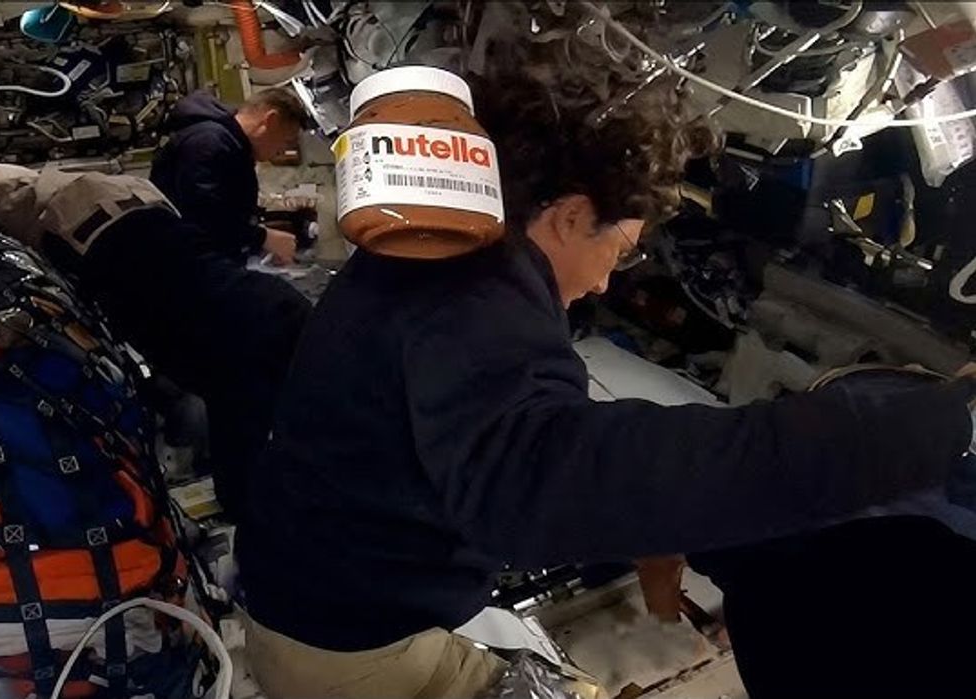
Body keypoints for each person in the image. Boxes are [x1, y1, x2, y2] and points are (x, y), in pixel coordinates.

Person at [235, 63, 976, 698]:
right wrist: (941, 425)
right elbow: (548, 484)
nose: (601, 284)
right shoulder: (472, 301)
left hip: (320, 599)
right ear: (569, 215)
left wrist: (659, 526)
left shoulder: (438, 252)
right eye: (620, 251)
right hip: (349, 648)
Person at [0, 100, 310, 520]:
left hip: (133, 209)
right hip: (87, 222)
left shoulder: (288, 317)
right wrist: (251, 517)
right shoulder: (254, 372)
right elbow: (240, 464)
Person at [150, 88, 306, 265]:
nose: (282, 151)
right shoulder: (209, 142)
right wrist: (263, 238)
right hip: (180, 263)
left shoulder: (231, 146)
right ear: (271, 120)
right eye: (286, 141)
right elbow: (204, 217)